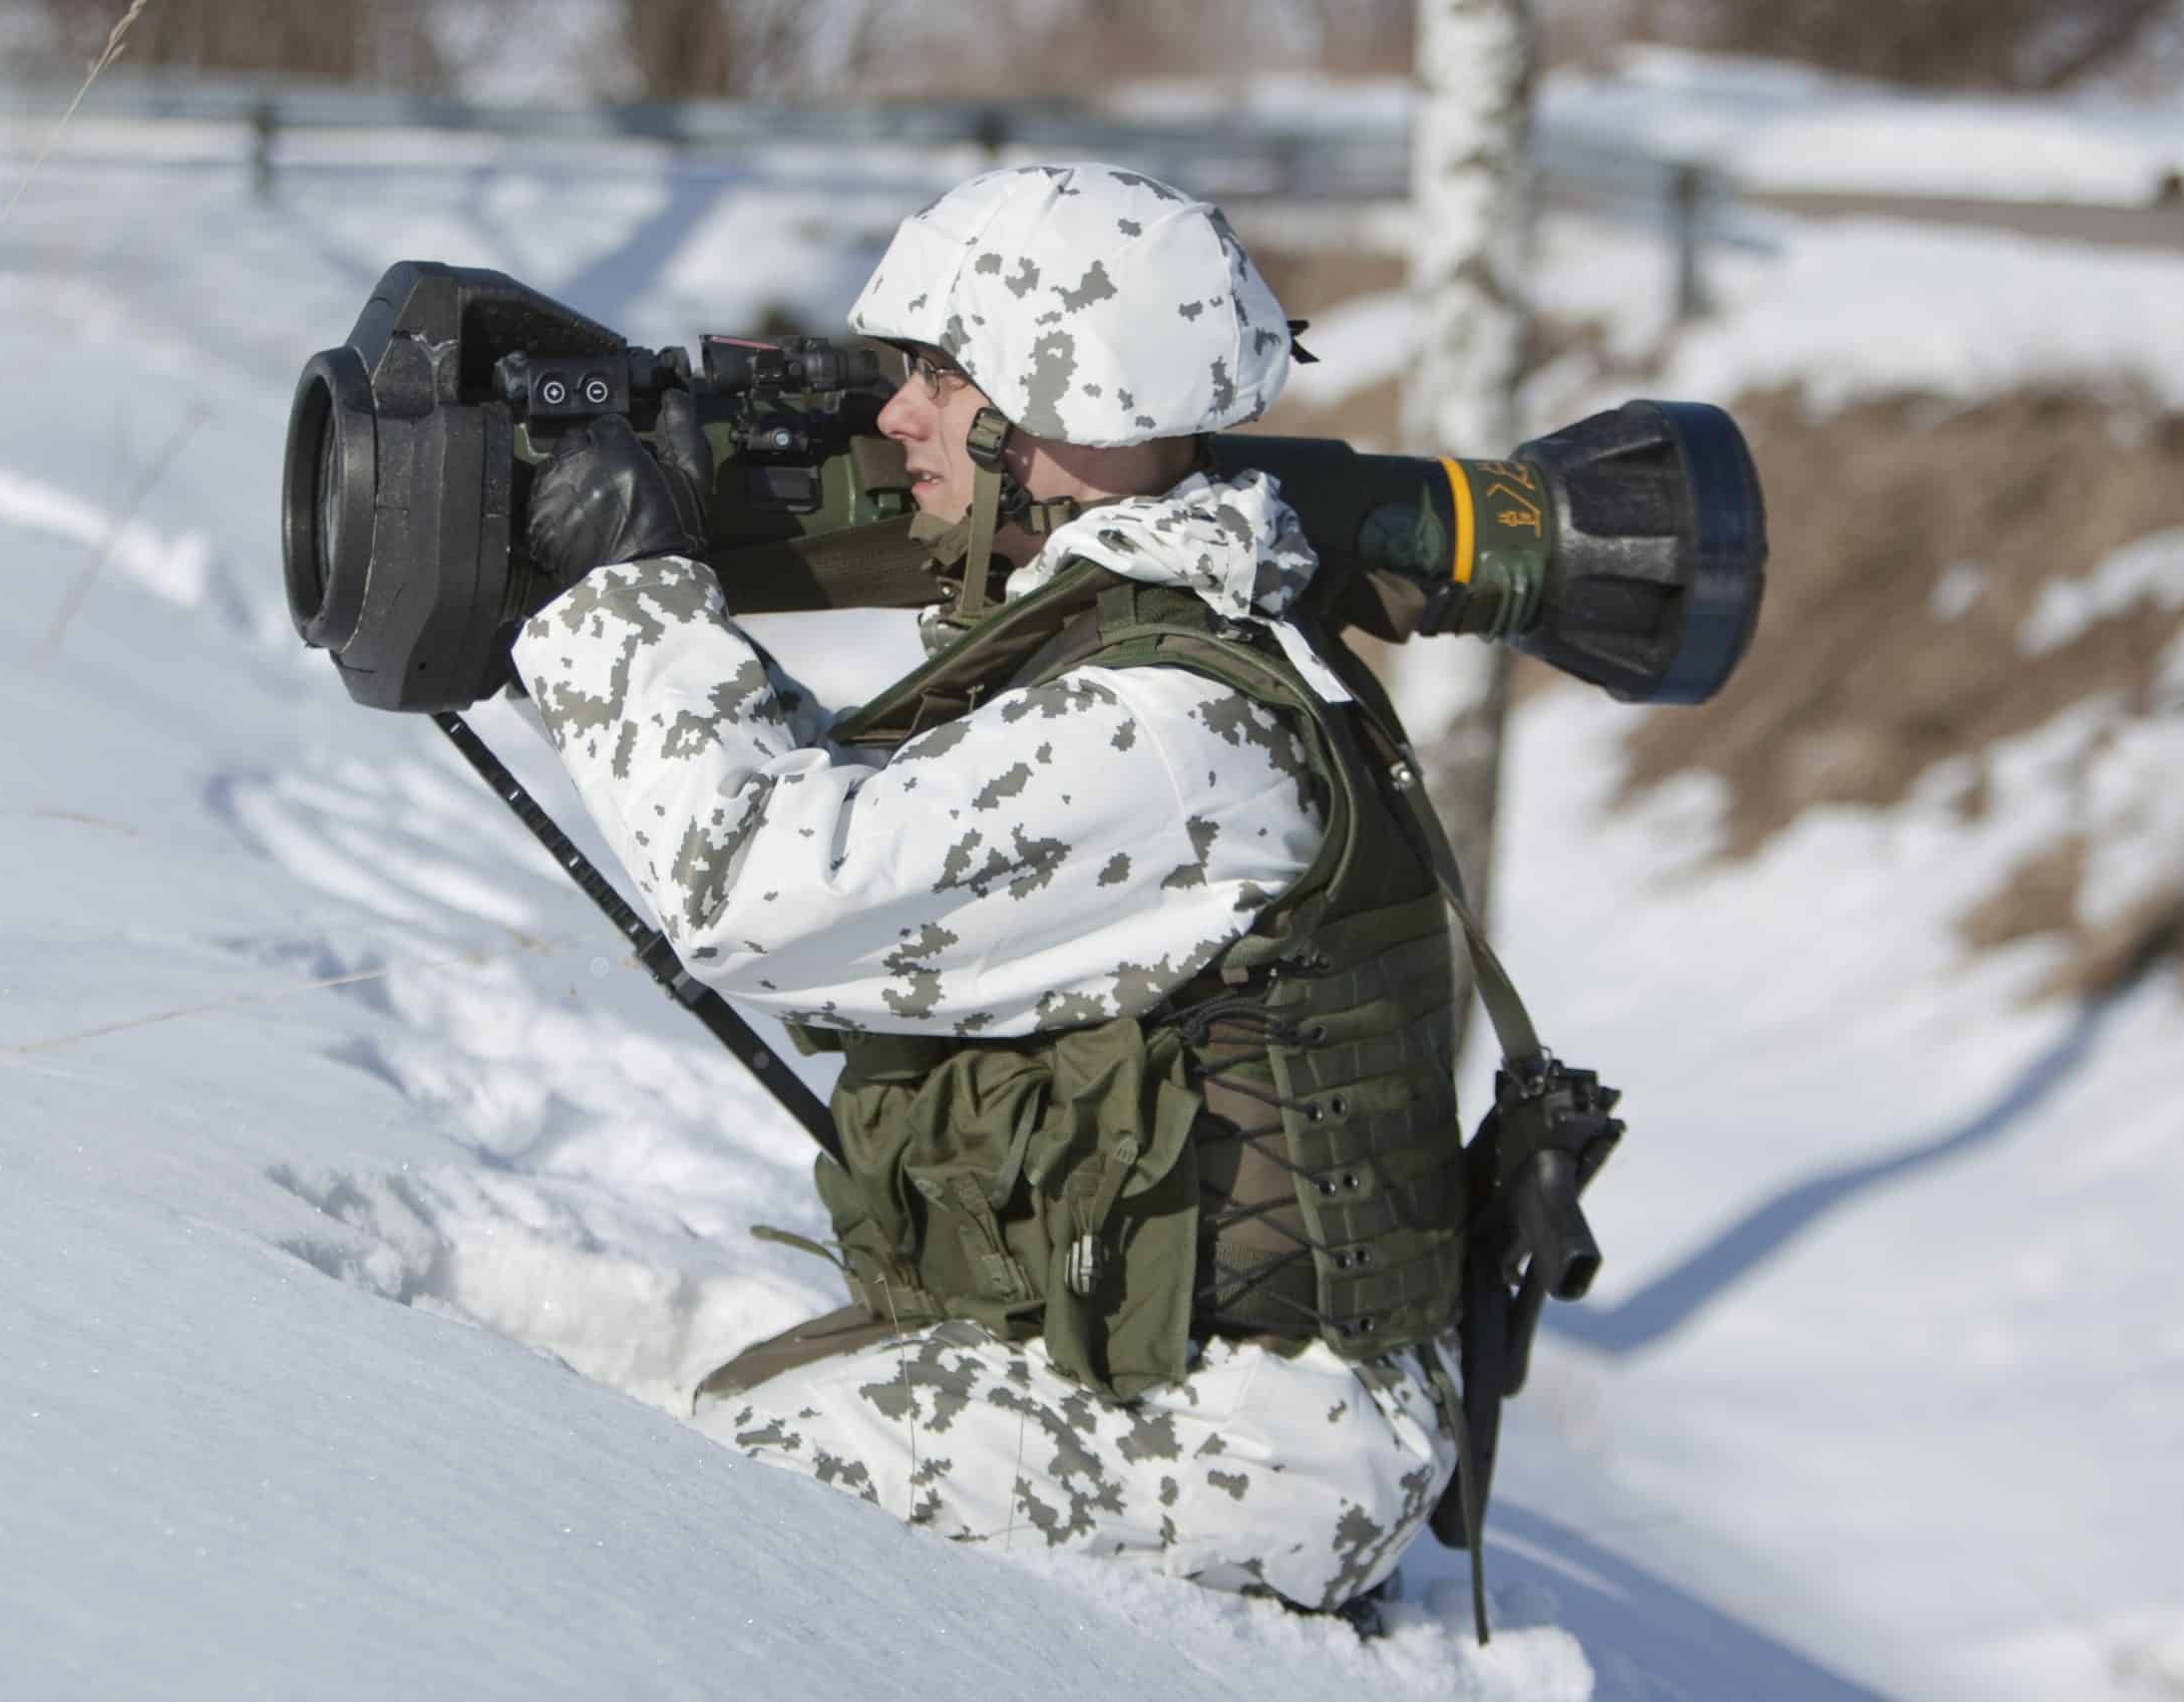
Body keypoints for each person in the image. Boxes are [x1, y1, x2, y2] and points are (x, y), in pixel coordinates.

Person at [507, 164, 1468, 1618]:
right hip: (1217, 1368)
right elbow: (882, 834)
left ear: (1057, 407)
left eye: (938, 378)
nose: (894, 420)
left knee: (743, 1475)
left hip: (1267, 1435)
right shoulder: (1165, 627)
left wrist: (623, 595)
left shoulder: (1160, 727)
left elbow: (769, 896)